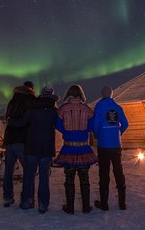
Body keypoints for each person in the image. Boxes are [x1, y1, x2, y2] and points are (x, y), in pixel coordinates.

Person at [8, 85, 59, 213]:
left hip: (32, 146)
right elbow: (59, 126)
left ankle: (26, 201)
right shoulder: (54, 111)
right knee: (44, 176)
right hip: (46, 147)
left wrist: (10, 121)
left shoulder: (32, 109)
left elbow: (21, 123)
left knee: (29, 175)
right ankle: (43, 204)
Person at [54, 84, 97, 214]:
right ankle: (85, 207)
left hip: (68, 149)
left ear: (69, 94)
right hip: (84, 148)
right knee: (85, 179)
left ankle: (70, 208)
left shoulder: (62, 109)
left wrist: (68, 131)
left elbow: (58, 126)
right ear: (80, 94)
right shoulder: (87, 109)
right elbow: (92, 126)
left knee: (69, 179)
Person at [93, 85, 129, 210]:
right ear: (112, 94)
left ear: (102, 94)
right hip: (116, 145)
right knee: (118, 171)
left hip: (103, 145)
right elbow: (125, 123)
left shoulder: (99, 107)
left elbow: (95, 124)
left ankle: (104, 204)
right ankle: (122, 203)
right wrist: (118, 132)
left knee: (104, 172)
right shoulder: (118, 107)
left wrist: (98, 135)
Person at [2, 81, 35, 207]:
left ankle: (7, 197)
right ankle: (27, 198)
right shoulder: (29, 101)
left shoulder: (12, 101)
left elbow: (8, 119)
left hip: (10, 139)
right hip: (22, 139)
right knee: (28, 170)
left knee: (8, 170)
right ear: (31, 89)